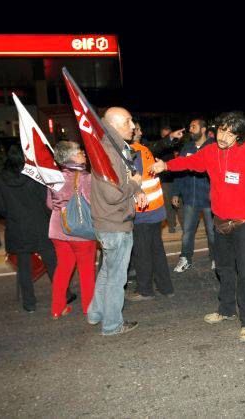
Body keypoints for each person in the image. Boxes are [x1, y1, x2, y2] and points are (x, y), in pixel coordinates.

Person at [151, 111, 245, 343]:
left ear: (240, 136)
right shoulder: (211, 151)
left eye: (231, 133)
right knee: (223, 268)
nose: (224, 136)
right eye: (222, 130)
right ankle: (225, 310)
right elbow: (189, 162)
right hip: (220, 221)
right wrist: (166, 165)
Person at [86, 107, 145, 336]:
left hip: (108, 222)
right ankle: (112, 325)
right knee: (116, 277)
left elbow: (117, 185)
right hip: (115, 223)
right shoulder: (110, 150)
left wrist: (135, 187)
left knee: (107, 272)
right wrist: (134, 183)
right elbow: (113, 194)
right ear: (116, 123)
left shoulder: (110, 147)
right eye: (129, 121)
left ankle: (95, 313)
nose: (133, 126)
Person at [0, 146, 58, 313]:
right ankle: (62, 295)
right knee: (51, 261)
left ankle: (29, 303)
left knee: (23, 267)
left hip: (17, 227)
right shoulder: (34, 176)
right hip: (39, 225)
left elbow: (0, 208)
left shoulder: (0, 180)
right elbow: (46, 201)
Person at [47, 141, 96, 319]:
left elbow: (49, 204)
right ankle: (89, 307)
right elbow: (93, 205)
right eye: (79, 151)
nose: (83, 152)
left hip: (57, 228)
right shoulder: (85, 177)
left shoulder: (54, 176)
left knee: (63, 267)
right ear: (71, 156)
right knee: (86, 269)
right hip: (80, 230)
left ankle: (57, 308)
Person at [126, 122, 174, 301]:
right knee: (157, 249)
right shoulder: (145, 150)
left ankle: (145, 290)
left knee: (142, 252)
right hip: (155, 209)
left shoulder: (130, 153)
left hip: (142, 211)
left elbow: (134, 182)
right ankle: (166, 287)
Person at [171, 118, 216, 272]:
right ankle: (185, 259)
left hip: (210, 200)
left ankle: (216, 258)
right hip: (190, 197)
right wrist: (176, 192)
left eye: (193, 126)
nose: (190, 129)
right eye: (190, 126)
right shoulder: (187, 147)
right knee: (187, 232)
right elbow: (179, 169)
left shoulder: (213, 147)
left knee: (212, 232)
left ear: (203, 129)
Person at [150, 125, 185, 233]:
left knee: (180, 203)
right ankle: (171, 225)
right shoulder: (159, 147)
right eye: (164, 135)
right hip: (165, 180)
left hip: (177, 178)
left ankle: (184, 226)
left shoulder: (178, 145)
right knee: (168, 204)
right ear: (162, 135)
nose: (166, 137)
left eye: (168, 134)